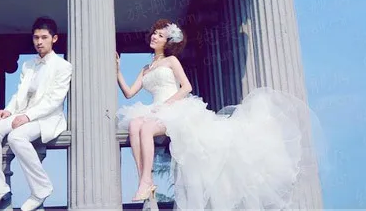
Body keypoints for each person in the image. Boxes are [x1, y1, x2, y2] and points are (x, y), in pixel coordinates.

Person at [116, 18, 315, 209]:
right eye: (154, 33)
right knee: (134, 125)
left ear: (167, 42)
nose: (154, 37)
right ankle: (145, 181)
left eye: (160, 35)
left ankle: (146, 180)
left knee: (146, 128)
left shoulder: (171, 61)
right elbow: (129, 93)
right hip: (156, 109)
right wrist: (117, 72)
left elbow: (186, 87)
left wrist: (166, 105)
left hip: (174, 108)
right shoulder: (146, 69)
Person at [0, 17, 72, 211]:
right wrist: (8, 110)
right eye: (36, 37)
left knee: (16, 137)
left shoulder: (63, 66)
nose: (39, 42)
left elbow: (54, 100)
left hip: (47, 118)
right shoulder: (28, 65)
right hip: (22, 113)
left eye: (44, 37)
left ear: (54, 39)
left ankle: (41, 188)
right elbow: (19, 93)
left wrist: (28, 117)